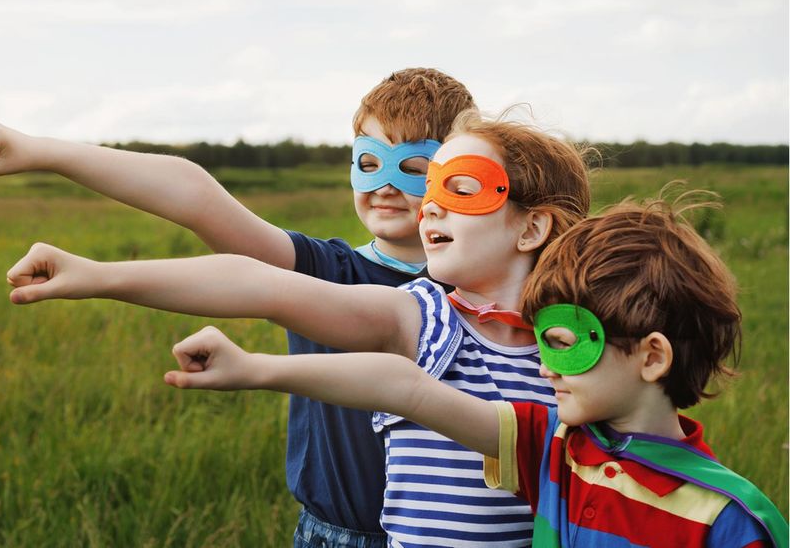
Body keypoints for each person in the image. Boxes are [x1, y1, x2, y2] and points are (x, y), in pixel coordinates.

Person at [1, 114, 592, 546]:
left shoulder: (584, 349)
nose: (428, 205)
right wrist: (98, 274)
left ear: (532, 227)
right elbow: (256, 281)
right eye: (430, 187)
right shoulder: (419, 315)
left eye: (456, 187)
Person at [0, 68, 476, 547]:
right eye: (369, 162)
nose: (385, 185)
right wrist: (42, 152)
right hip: (331, 534)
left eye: (413, 167)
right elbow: (196, 197)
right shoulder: (323, 270)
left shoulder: (489, 289)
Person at [162, 198, 789, 548]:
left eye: (562, 344)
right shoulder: (553, 450)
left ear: (652, 357)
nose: (544, 364)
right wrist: (257, 367)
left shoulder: (729, 518)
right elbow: (403, 387)